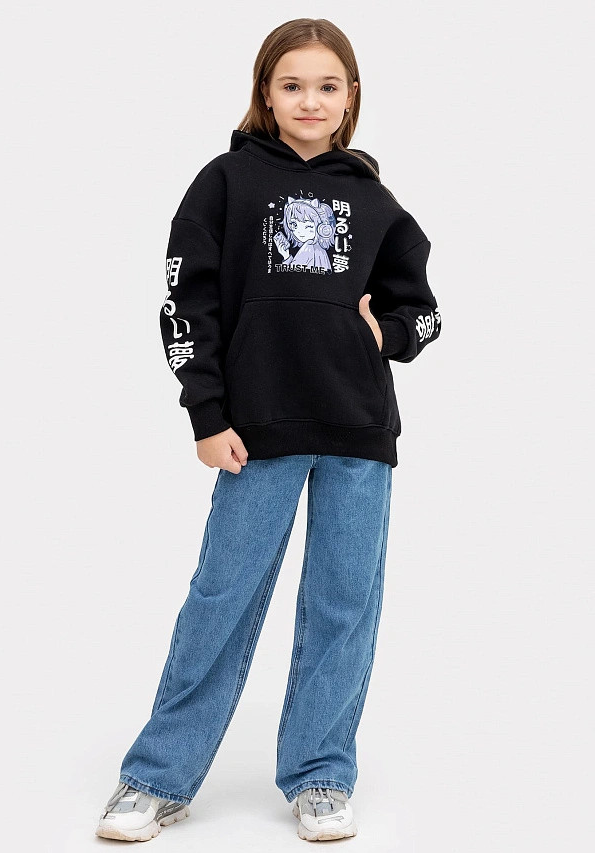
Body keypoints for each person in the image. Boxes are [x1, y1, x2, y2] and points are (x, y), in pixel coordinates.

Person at [96, 17, 442, 844]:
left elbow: (424, 312)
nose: (309, 100)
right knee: (220, 598)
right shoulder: (223, 183)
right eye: (292, 85)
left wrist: (387, 335)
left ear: (350, 97)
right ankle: (155, 777)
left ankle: (320, 774)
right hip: (255, 431)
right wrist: (206, 411)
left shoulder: (375, 200)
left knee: (342, 606)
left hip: (358, 432)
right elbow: (185, 303)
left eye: (326, 86)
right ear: (265, 93)